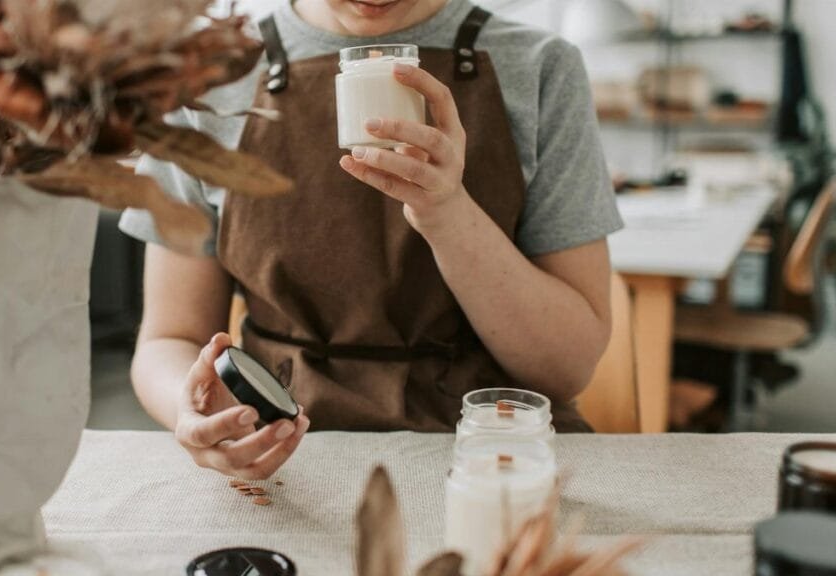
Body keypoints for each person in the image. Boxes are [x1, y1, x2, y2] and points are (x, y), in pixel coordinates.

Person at [119, 0, 623, 480]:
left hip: (490, 452)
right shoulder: (205, 81)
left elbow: (566, 368)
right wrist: (191, 412)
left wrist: (448, 214)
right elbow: (170, 339)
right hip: (285, 451)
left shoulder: (540, 68)